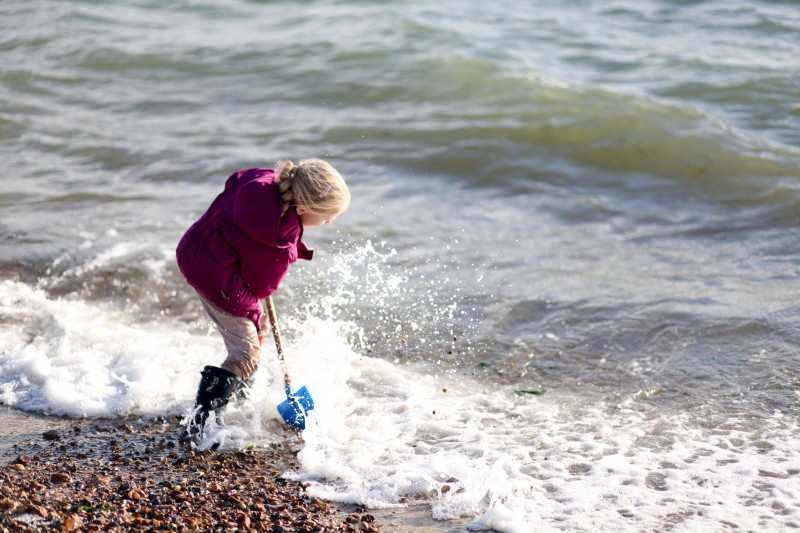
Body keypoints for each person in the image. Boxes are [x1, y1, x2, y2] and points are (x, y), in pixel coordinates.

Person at [175, 159, 350, 445]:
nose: (330, 221)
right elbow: (261, 287)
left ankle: (241, 396)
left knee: (259, 324)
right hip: (215, 275)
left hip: (197, 247)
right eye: (329, 216)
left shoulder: (266, 181)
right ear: (303, 209)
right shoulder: (279, 236)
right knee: (245, 351)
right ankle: (199, 427)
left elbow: (233, 181)